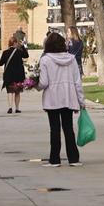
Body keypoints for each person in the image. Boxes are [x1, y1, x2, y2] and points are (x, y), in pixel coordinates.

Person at [37, 31, 86, 167]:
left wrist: (36, 85)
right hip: (68, 97)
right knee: (68, 128)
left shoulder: (45, 60)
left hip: (52, 98)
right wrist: (81, 100)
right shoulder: (71, 59)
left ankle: (55, 159)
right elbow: (77, 82)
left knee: (55, 129)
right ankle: (74, 158)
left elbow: (44, 82)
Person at [0, 37, 29, 114]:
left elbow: (0, 63)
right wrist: (22, 46)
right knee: (17, 92)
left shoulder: (5, 52)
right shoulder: (19, 52)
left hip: (8, 75)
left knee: (10, 92)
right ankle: (17, 108)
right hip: (18, 75)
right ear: (15, 43)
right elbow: (26, 55)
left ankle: (10, 107)